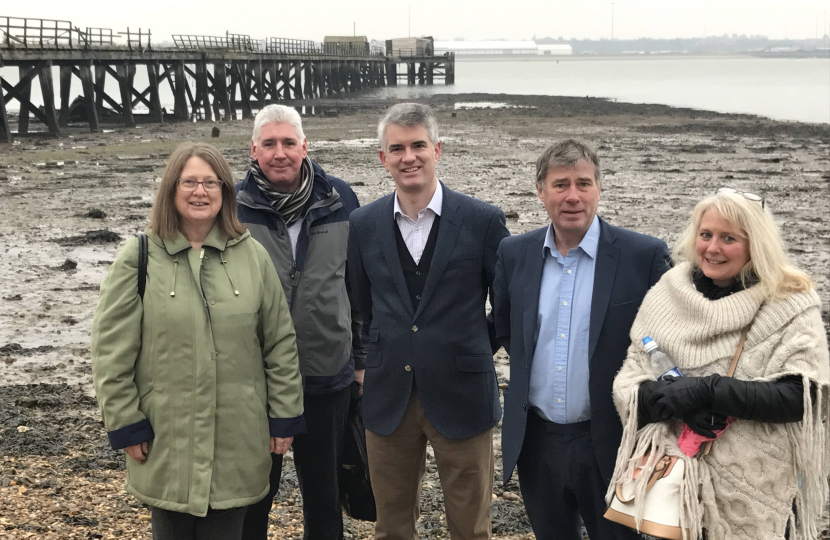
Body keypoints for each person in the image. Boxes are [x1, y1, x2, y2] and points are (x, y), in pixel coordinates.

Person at [91, 142, 305, 540]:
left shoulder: (253, 256)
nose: (200, 192)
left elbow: (279, 343)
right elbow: (111, 352)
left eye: (210, 182)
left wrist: (284, 415)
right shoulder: (139, 257)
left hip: (238, 439)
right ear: (171, 189)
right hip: (166, 439)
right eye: (189, 182)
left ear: (225, 191)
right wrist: (125, 422)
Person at [610, 190, 829, 540]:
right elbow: (630, 380)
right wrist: (670, 401)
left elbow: (803, 396)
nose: (713, 248)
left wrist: (709, 391)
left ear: (756, 244)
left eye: (729, 238)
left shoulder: (790, 300)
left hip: (756, 494)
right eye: (706, 234)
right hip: (673, 488)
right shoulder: (668, 292)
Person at [492, 139, 670, 540]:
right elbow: (507, 329)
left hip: (612, 439)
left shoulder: (642, 255)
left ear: (599, 188)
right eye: (560, 185)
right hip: (538, 441)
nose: (572, 196)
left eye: (583, 183)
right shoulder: (514, 253)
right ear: (541, 191)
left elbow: (665, 343)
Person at [347, 102, 509, 540]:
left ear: (437, 150)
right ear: (383, 158)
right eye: (397, 148)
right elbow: (361, 305)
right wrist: (373, 356)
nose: (409, 157)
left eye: (418, 145)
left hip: (464, 393)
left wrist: (473, 347)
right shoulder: (362, 224)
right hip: (388, 397)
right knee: (391, 526)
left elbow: (507, 306)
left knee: (470, 527)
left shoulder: (483, 221)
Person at [236, 104, 364, 540]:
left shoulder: (340, 198)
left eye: (289, 142)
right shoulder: (233, 205)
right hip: (255, 378)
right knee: (253, 496)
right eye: (269, 143)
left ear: (305, 147)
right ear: (253, 150)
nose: (280, 153)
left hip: (327, 371)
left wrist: (361, 359)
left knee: (325, 497)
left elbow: (357, 286)